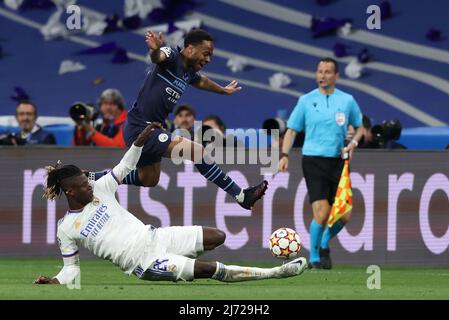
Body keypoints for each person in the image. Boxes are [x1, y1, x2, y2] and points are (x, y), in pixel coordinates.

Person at [33, 123, 307, 285]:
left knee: (217, 236)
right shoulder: (66, 228)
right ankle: (275, 273)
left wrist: (139, 142)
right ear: (70, 191)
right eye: (83, 183)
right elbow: (71, 270)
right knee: (208, 269)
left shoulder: (101, 188)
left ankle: (179, 265)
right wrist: (56, 280)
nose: (89, 184)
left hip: (157, 237)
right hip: (145, 261)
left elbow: (125, 165)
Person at [88, 28, 267, 210]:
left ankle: (93, 177)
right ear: (189, 49)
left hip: (152, 130)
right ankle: (241, 195)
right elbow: (158, 57)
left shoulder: (189, 72)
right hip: (140, 127)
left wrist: (223, 90)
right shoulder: (172, 55)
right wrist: (156, 50)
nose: (208, 60)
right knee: (197, 151)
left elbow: (202, 81)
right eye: (206, 54)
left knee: (148, 179)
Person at [278, 57, 364, 270]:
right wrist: (284, 155)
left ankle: (324, 241)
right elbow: (291, 130)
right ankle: (315, 258)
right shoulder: (306, 100)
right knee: (322, 212)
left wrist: (352, 143)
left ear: (336, 76)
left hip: (338, 161)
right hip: (313, 160)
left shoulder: (347, 101)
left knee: (345, 214)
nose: (322, 75)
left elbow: (360, 127)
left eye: (327, 72)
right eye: (319, 71)